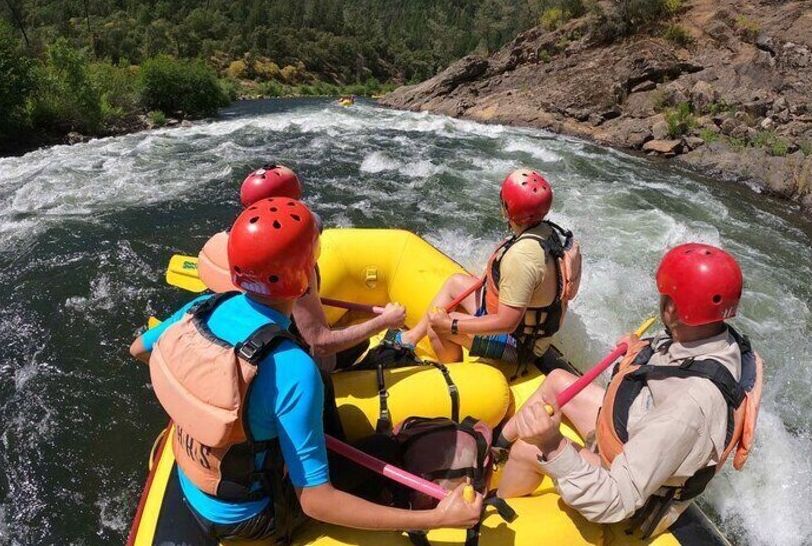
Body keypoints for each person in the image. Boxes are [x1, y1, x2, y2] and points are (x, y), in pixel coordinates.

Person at [129, 198, 482, 542]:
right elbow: (316, 502)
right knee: (385, 449)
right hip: (251, 518)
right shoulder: (293, 369)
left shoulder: (201, 307)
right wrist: (437, 518)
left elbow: (140, 349)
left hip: (195, 481)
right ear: (306, 278)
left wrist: (209, 404)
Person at [495, 243, 763, 538]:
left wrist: (552, 444)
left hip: (629, 494)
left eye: (666, 295)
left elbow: (616, 500)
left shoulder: (689, 407)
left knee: (528, 449)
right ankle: (495, 446)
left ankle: (499, 520)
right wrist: (639, 349)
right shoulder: (710, 335)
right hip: (637, 433)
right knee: (558, 380)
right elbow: (671, 367)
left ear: (673, 308)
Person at [194, 163, 406, 372]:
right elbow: (321, 343)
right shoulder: (290, 268)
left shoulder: (225, 243)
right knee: (359, 345)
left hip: (233, 337)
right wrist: (384, 321)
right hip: (281, 354)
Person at [393, 169, 580, 368]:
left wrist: (451, 325)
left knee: (439, 326)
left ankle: (454, 372)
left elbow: (507, 323)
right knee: (456, 282)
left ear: (507, 209)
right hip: (523, 325)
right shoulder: (548, 233)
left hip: (520, 344)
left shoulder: (521, 258)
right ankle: (411, 338)